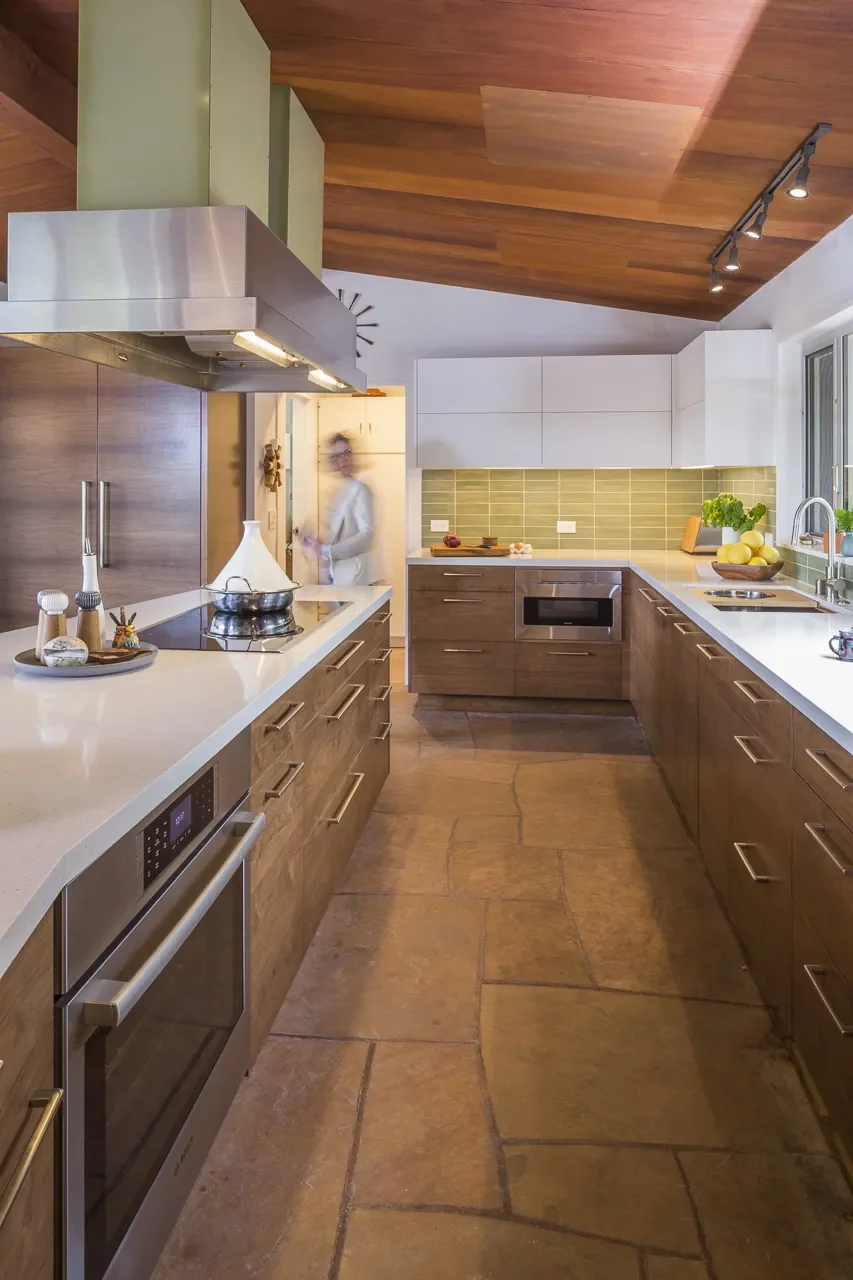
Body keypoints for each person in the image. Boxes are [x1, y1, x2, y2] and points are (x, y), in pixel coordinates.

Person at [303, 432, 378, 586]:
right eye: (337, 456)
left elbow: (366, 535)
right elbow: (338, 532)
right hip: (339, 576)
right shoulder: (335, 491)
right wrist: (318, 542)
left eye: (347, 453)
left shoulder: (360, 489)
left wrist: (327, 550)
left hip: (358, 576)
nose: (343, 459)